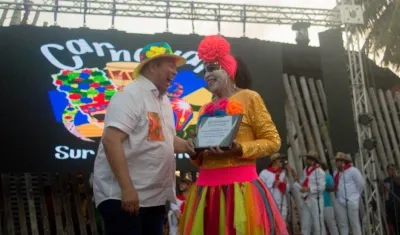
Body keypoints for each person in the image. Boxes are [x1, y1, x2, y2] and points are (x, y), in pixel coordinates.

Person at [178, 35, 288, 235]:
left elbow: (273, 142)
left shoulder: (249, 97)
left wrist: (241, 149)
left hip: (241, 190)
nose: (207, 75)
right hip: (206, 191)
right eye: (205, 70)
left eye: (212, 68)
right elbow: (201, 159)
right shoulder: (204, 108)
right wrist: (194, 152)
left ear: (228, 69)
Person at [93, 42, 196, 235]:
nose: (175, 72)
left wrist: (192, 145)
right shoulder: (131, 94)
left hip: (153, 198)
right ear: (153, 65)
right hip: (124, 197)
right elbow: (111, 139)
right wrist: (127, 188)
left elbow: (166, 140)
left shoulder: (163, 100)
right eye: (171, 65)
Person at [293, 152, 326, 235]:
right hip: (306, 198)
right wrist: (298, 181)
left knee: (317, 223)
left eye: (308, 158)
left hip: (315, 199)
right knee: (305, 222)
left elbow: (322, 186)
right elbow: (304, 181)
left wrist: (309, 188)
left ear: (313, 160)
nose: (306, 160)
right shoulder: (305, 170)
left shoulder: (319, 171)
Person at [333, 152, 364, 235]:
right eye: (336, 160)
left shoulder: (353, 170)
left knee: (354, 223)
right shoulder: (335, 172)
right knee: (343, 224)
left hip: (351, 201)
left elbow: (361, 184)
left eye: (338, 160)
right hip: (340, 201)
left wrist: (355, 196)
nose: (336, 162)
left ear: (343, 161)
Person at [259, 153, 290, 220]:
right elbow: (260, 189)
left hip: (282, 203)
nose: (282, 162)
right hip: (269, 204)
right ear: (275, 161)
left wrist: (284, 184)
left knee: (282, 224)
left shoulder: (283, 173)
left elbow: (287, 191)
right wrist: (272, 184)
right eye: (280, 161)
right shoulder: (264, 173)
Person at [320, 163, 339, 235]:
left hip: (327, 204)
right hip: (316, 205)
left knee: (331, 225)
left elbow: (334, 188)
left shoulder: (328, 177)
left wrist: (324, 186)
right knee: (320, 226)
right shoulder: (312, 177)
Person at [384, 164, 400, 235]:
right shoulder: (386, 180)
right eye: (389, 170)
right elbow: (384, 193)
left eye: (392, 169)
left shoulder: (398, 178)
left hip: (398, 203)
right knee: (393, 223)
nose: (391, 171)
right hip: (390, 204)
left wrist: (394, 176)